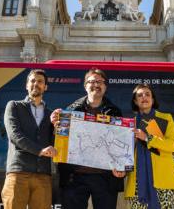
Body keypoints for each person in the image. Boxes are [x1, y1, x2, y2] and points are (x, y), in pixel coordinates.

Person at [50, 68, 126, 209]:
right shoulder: (70, 110)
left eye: (100, 81)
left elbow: (120, 143)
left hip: (105, 178)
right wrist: (55, 126)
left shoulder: (115, 112)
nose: (96, 85)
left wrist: (121, 167)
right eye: (92, 81)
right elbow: (59, 141)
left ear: (105, 86)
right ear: (85, 86)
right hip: (74, 178)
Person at [2, 69, 57, 209]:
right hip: (18, 173)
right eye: (32, 81)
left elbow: (54, 143)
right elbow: (15, 135)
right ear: (27, 85)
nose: (36, 84)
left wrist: (59, 128)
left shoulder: (52, 115)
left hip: (43, 175)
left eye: (40, 81)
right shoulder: (14, 106)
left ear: (45, 87)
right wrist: (40, 150)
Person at [125, 84, 174, 209]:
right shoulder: (130, 124)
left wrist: (147, 138)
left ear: (153, 99)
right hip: (137, 184)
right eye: (139, 95)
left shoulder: (166, 118)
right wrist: (133, 142)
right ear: (135, 101)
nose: (144, 97)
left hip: (164, 182)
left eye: (147, 94)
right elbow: (123, 153)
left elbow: (173, 146)